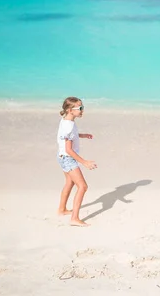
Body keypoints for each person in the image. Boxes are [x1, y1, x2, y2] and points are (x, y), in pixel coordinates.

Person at [56, 96, 97, 227]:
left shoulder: (65, 120)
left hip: (61, 156)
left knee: (69, 182)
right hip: (68, 158)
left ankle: (61, 210)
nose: (82, 110)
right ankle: (74, 218)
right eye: (80, 108)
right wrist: (84, 162)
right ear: (70, 110)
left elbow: (69, 136)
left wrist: (82, 135)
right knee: (83, 186)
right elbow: (69, 149)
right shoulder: (69, 125)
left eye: (82, 107)